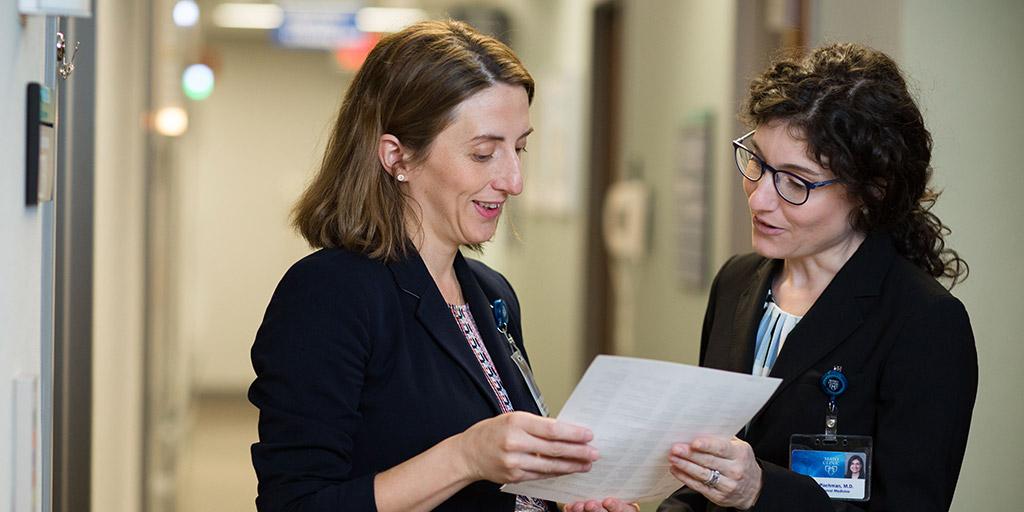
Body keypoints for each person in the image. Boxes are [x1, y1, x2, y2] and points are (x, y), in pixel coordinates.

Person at [571, 43, 978, 512]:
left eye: (795, 182)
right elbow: (710, 472)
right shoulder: (737, 283)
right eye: (758, 163)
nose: (760, 198)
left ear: (871, 191)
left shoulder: (923, 322)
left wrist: (761, 491)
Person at [248, 20, 599, 512]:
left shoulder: (490, 292)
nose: (514, 180)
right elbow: (297, 502)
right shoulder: (330, 294)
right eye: (483, 153)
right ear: (397, 157)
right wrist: (464, 457)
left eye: (518, 148)